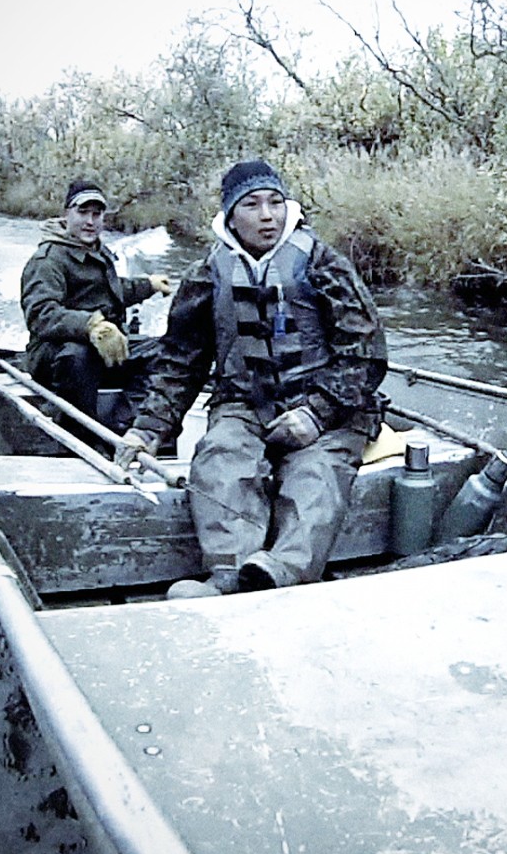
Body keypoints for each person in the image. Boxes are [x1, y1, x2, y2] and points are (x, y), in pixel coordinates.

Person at [119, 160, 388, 598]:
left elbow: (366, 354)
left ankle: (282, 571)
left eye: (275, 203)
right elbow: (179, 364)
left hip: (329, 409)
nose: (268, 215)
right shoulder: (207, 273)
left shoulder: (324, 264)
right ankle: (229, 575)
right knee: (220, 460)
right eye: (252, 205)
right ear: (230, 216)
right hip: (243, 403)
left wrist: (318, 414)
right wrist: (147, 430)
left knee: (316, 475)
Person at [20, 180, 173, 434]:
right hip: (55, 356)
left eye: (96, 214)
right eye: (82, 213)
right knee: (78, 356)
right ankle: (78, 432)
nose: (90, 221)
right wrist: (91, 326)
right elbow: (40, 314)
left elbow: (110, 292)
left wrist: (148, 285)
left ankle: (125, 424)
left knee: (166, 351)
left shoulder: (99, 253)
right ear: (66, 214)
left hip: (105, 348)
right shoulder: (48, 260)